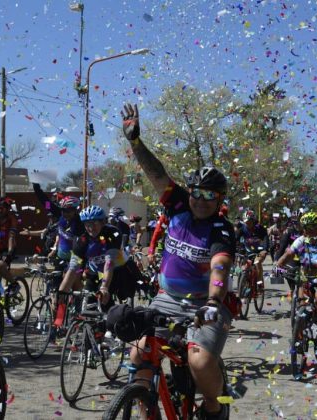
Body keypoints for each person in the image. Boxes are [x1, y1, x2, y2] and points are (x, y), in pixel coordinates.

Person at [121, 103, 235, 419]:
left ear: (220, 200)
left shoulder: (220, 229)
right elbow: (156, 173)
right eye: (197, 192)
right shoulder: (179, 205)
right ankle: (149, 410)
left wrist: (213, 301)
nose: (201, 200)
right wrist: (135, 142)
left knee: (198, 360)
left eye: (210, 195)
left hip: (205, 305)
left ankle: (214, 408)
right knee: (139, 353)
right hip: (166, 299)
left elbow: (220, 268)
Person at [275, 211, 317, 336]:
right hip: (306, 274)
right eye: (306, 228)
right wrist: (278, 265)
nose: (308, 232)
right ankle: (299, 339)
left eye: (312, 228)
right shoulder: (301, 240)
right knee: (301, 303)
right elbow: (288, 254)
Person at [57, 205, 128, 312]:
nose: (91, 227)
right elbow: (73, 267)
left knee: (103, 301)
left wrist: (104, 288)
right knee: (86, 303)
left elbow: (109, 264)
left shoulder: (112, 233)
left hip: (115, 271)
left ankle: (109, 324)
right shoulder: (81, 239)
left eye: (94, 223)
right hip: (95, 273)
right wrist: (62, 291)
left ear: (102, 222)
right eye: (87, 224)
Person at [235, 210, 270, 287]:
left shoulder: (260, 228)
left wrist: (265, 249)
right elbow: (235, 238)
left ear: (253, 220)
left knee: (257, 262)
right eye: (245, 222)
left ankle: (259, 283)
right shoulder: (242, 229)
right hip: (248, 251)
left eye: (249, 221)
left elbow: (266, 239)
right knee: (245, 267)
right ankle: (245, 284)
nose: (247, 223)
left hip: (259, 251)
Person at [0, 196, 19, 293]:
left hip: (8, 248)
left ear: (7, 209)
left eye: (1, 208)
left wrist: (9, 253)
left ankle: (14, 284)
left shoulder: (12, 219)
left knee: (0, 267)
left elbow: (11, 237)